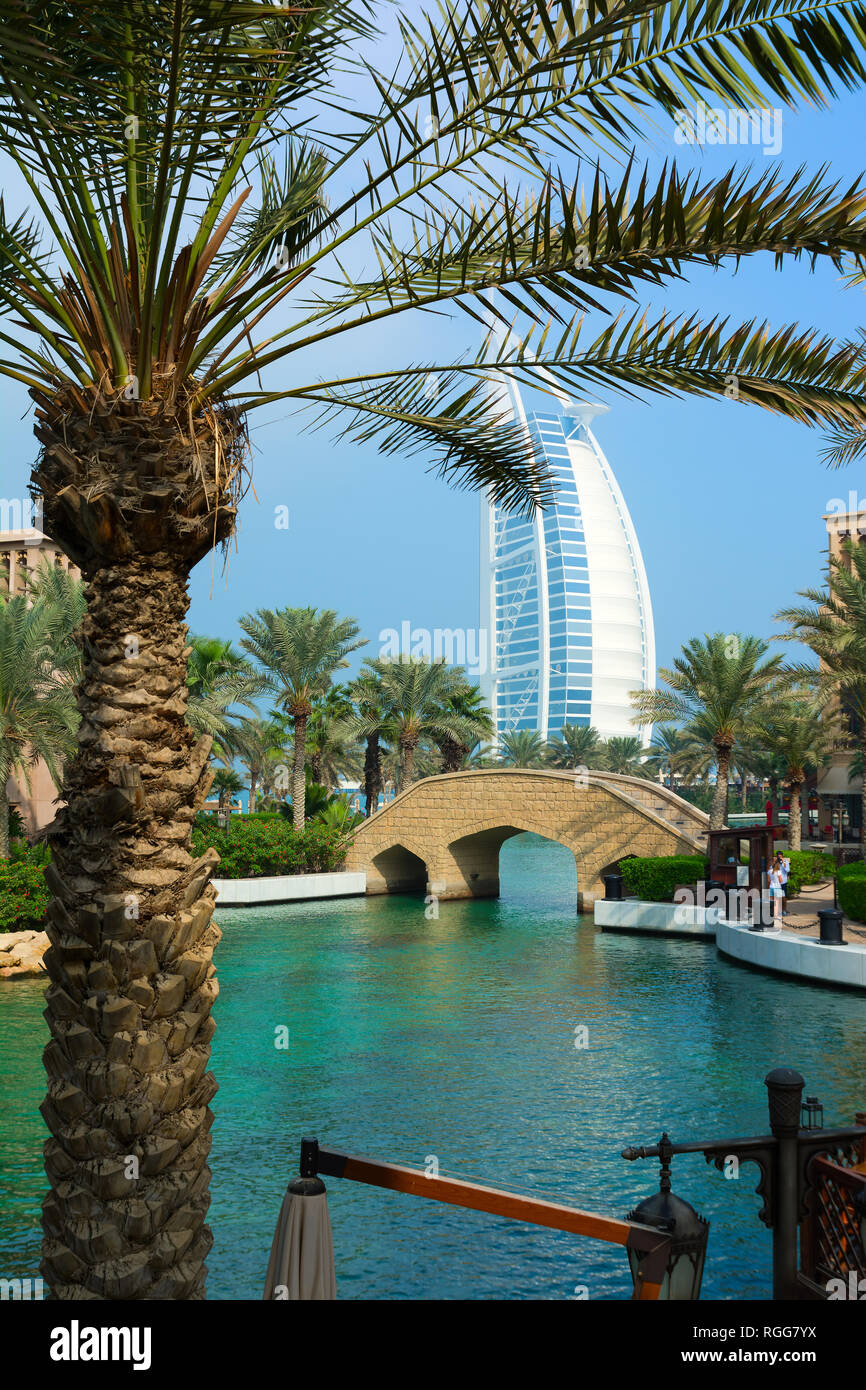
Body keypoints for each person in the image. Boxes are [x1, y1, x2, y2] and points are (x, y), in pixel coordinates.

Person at [768, 859, 784, 924]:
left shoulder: (769, 871)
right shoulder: (778, 871)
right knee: (777, 902)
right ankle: (776, 915)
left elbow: (769, 880)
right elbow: (781, 881)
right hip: (777, 887)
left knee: (771, 901)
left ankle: (771, 914)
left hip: (771, 887)